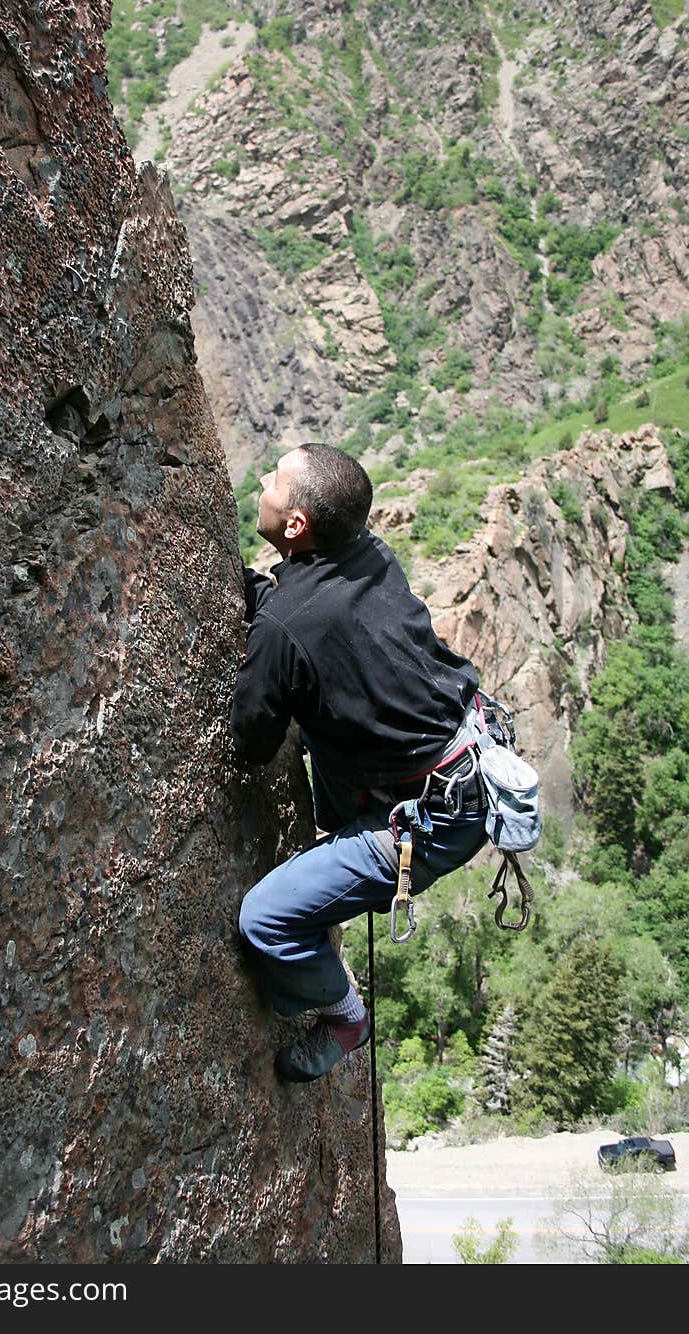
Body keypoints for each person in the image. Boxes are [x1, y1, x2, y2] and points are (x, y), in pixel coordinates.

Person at [232, 443, 489, 1083]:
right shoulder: (367, 552)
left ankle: (346, 1016)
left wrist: (271, 646)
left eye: (274, 480)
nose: (262, 482)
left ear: (296, 526)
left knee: (265, 920)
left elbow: (253, 744)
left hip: (426, 820)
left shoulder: (284, 630)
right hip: (466, 759)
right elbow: (318, 619)